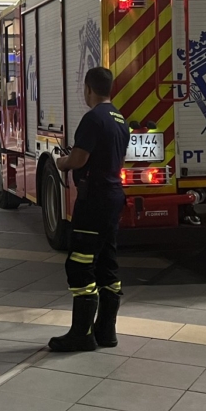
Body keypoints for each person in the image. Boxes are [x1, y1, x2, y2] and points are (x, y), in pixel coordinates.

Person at [48, 66, 129, 352]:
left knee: (80, 264)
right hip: (113, 196)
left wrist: (62, 162)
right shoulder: (120, 118)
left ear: (88, 89)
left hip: (93, 199)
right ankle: (106, 332)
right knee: (107, 262)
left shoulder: (93, 119)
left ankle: (81, 335)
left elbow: (80, 159)